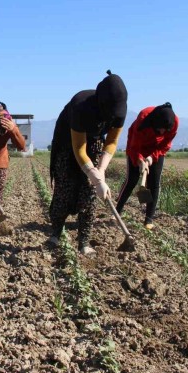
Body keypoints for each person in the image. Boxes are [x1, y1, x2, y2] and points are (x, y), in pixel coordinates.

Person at [49, 70, 128, 255]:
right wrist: (95, 176)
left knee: (90, 195)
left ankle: (84, 242)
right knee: (64, 190)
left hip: (94, 142)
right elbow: (78, 149)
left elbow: (112, 142)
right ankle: (55, 234)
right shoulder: (81, 105)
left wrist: (100, 170)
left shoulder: (119, 111)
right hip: (67, 144)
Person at [115, 102, 178, 229]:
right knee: (131, 180)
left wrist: (150, 158)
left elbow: (165, 145)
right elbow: (134, 145)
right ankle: (117, 212)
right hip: (136, 146)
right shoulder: (144, 117)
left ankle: (148, 220)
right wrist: (140, 161)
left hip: (156, 149)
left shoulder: (174, 123)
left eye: (165, 130)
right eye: (160, 128)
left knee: (154, 183)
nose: (162, 131)